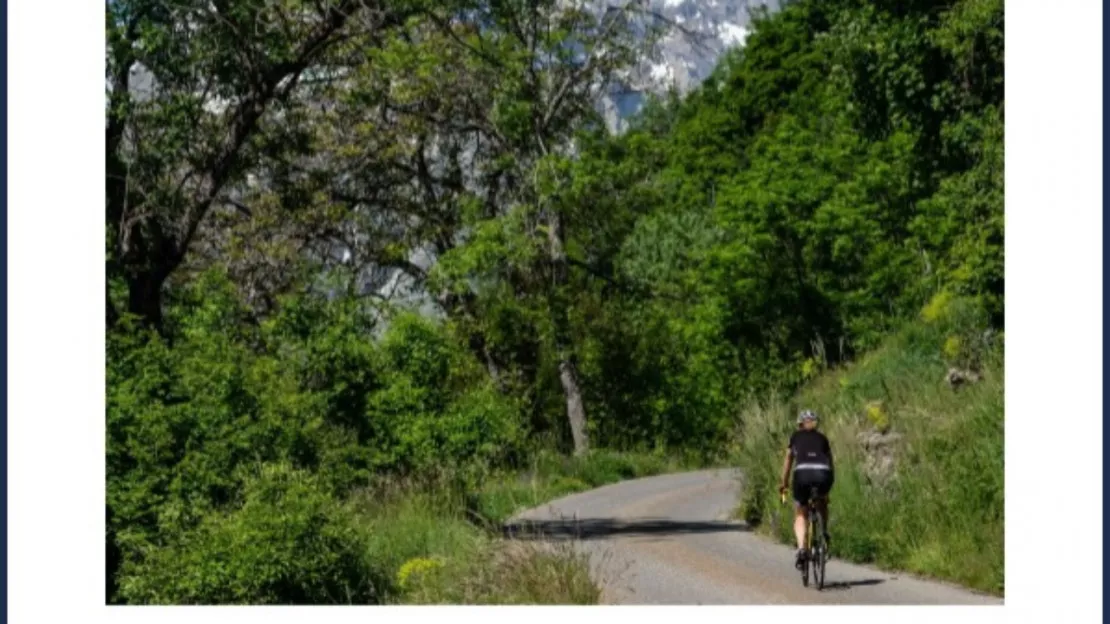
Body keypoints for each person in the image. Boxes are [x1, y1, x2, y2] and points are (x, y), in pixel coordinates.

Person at [778, 409, 834, 569]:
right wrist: (828, 488)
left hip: (802, 474)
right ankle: (823, 532)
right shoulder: (823, 438)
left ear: (800, 424)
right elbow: (831, 463)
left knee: (801, 512)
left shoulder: (795, 436)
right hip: (823, 474)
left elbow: (788, 459)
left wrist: (784, 483)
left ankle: (802, 548)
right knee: (822, 501)